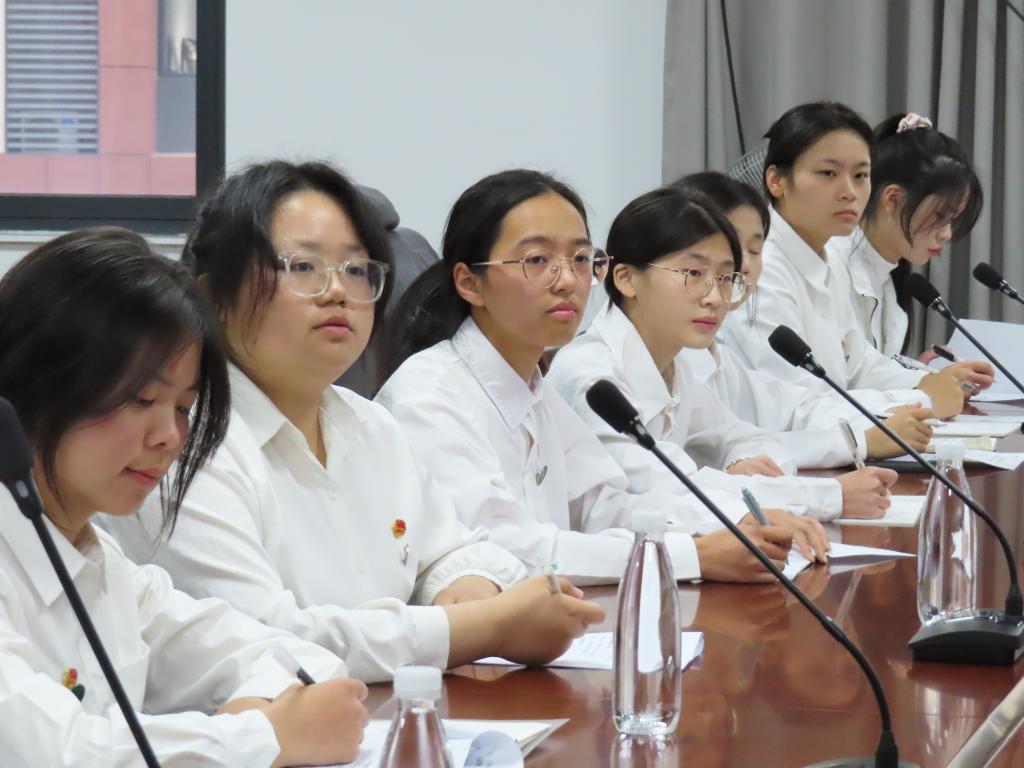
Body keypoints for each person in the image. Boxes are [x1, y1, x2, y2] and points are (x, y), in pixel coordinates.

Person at [105, 161, 604, 685]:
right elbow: (264, 640)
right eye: (304, 267)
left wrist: (466, 586)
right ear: (216, 297)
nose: (337, 291)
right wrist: (478, 629)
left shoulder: (370, 425)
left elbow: (457, 548)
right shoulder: (181, 444)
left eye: (357, 270)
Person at [0, 228, 368, 767]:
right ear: (34, 383)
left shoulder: (103, 563)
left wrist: (258, 719)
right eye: (141, 398)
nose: (169, 437)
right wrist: (261, 737)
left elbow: (299, 660)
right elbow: (52, 754)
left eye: (182, 407)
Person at [377, 168, 794, 585]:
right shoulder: (428, 396)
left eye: (579, 259)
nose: (567, 281)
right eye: (537, 260)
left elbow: (605, 504)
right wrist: (692, 556)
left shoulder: (535, 389)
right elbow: (503, 548)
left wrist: (731, 524)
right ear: (470, 283)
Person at [547, 184, 893, 542]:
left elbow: (743, 438)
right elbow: (672, 488)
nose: (715, 297)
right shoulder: (591, 375)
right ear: (627, 278)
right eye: (693, 274)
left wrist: (737, 462)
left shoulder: (674, 367)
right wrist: (828, 497)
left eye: (726, 279)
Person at [718, 101, 975, 418]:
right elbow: (792, 405)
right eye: (828, 173)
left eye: (861, 175)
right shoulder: (762, 268)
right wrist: (923, 398)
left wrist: (926, 381)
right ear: (776, 181)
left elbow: (859, 363)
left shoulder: (828, 260)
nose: (850, 192)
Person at [674, 171, 936, 462]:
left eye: (754, 250)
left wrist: (907, 405)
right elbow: (714, 460)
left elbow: (792, 411)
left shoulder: (715, 358)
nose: (742, 265)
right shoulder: (673, 358)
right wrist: (862, 440)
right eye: (828, 172)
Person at [832, 112, 989, 366]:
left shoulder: (887, 279)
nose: (947, 234)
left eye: (953, 220)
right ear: (893, 199)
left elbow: (868, 370)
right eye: (941, 215)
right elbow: (839, 379)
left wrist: (917, 369)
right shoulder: (831, 265)